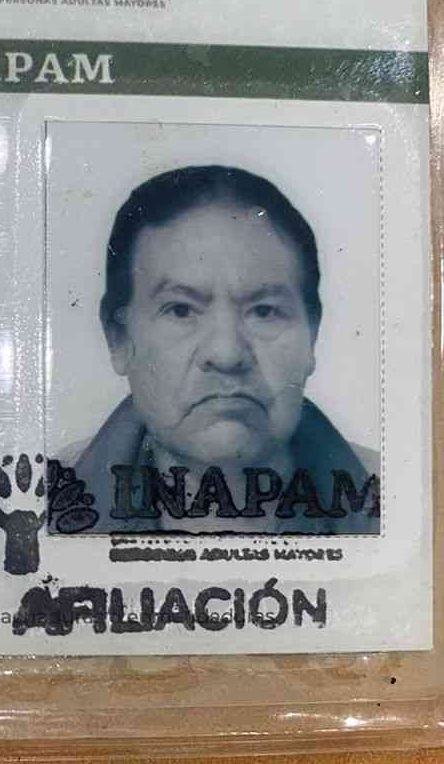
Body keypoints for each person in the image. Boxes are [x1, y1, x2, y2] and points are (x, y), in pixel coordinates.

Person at [59, 164, 379, 534]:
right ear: (118, 338)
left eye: (264, 312)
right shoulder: (35, 507)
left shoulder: (404, 503)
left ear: (312, 334)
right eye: (181, 310)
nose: (227, 355)